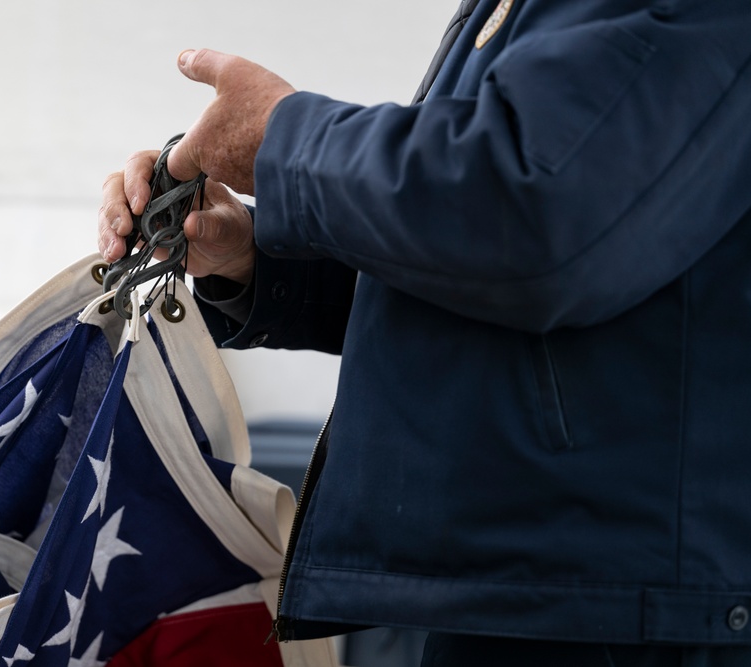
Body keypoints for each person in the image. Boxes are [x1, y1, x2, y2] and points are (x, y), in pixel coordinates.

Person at [98, 0, 751, 664]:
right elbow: (474, 251)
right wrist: (253, 256)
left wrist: (284, 141)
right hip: (543, 588)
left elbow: (530, 212)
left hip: (616, 609)